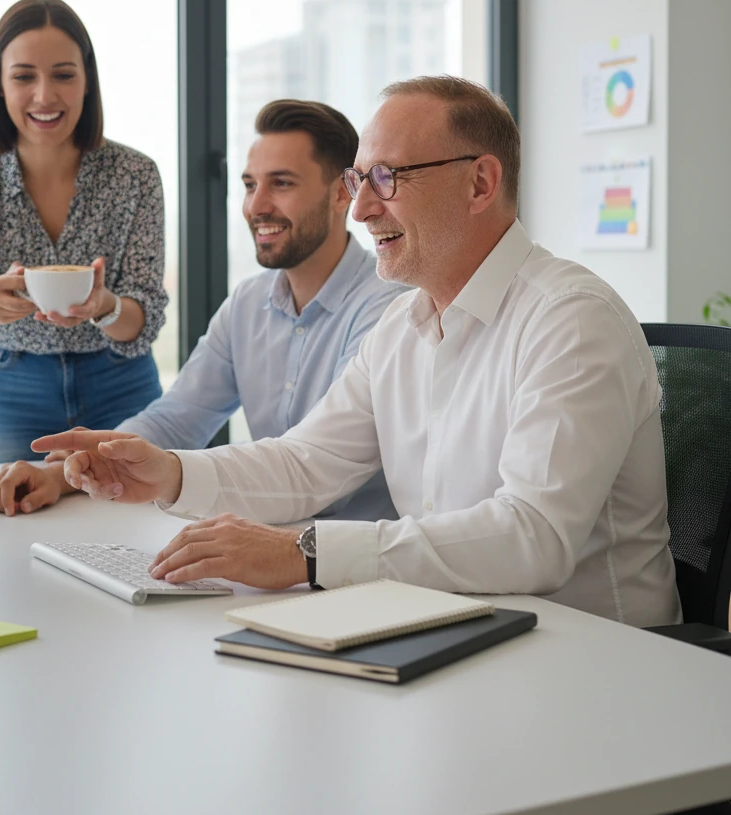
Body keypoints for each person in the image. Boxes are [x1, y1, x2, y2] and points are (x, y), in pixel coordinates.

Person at [36, 76, 681, 631]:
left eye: (387, 178)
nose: (363, 208)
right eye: (358, 179)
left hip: (597, 659)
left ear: (480, 182)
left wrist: (304, 553)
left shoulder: (570, 320)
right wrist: (171, 473)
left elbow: (532, 537)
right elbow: (306, 461)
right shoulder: (404, 324)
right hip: (458, 629)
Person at [0, 99, 409, 521]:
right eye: (249, 185)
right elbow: (177, 419)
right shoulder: (247, 305)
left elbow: (318, 470)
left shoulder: (387, 308)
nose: (256, 206)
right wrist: (63, 473)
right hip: (270, 538)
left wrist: (174, 474)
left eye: (281, 183)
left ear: (342, 194)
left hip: (354, 553)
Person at [0, 0, 168, 464]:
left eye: (63, 75)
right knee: (15, 506)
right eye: (24, 77)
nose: (44, 96)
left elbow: (145, 317)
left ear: (87, 81)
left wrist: (106, 306)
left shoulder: (136, 175)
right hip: (14, 390)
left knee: (135, 507)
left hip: (121, 383)